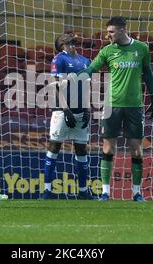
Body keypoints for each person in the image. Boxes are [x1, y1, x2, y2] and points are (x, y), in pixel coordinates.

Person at [71, 16, 153, 201]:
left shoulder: (141, 48)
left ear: (122, 30)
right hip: (111, 106)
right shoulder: (107, 51)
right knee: (108, 148)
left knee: (136, 149)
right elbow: (91, 69)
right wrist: (76, 76)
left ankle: (136, 192)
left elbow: (148, 73)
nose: (107, 35)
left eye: (111, 32)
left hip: (134, 106)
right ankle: (105, 192)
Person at [40, 33, 93, 200]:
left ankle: (83, 191)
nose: (70, 44)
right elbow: (58, 86)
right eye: (66, 42)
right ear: (60, 45)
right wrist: (66, 110)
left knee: (81, 149)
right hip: (62, 111)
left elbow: (86, 87)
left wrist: (87, 108)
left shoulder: (85, 61)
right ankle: (47, 190)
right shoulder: (59, 60)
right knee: (54, 146)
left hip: (80, 110)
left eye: (71, 41)